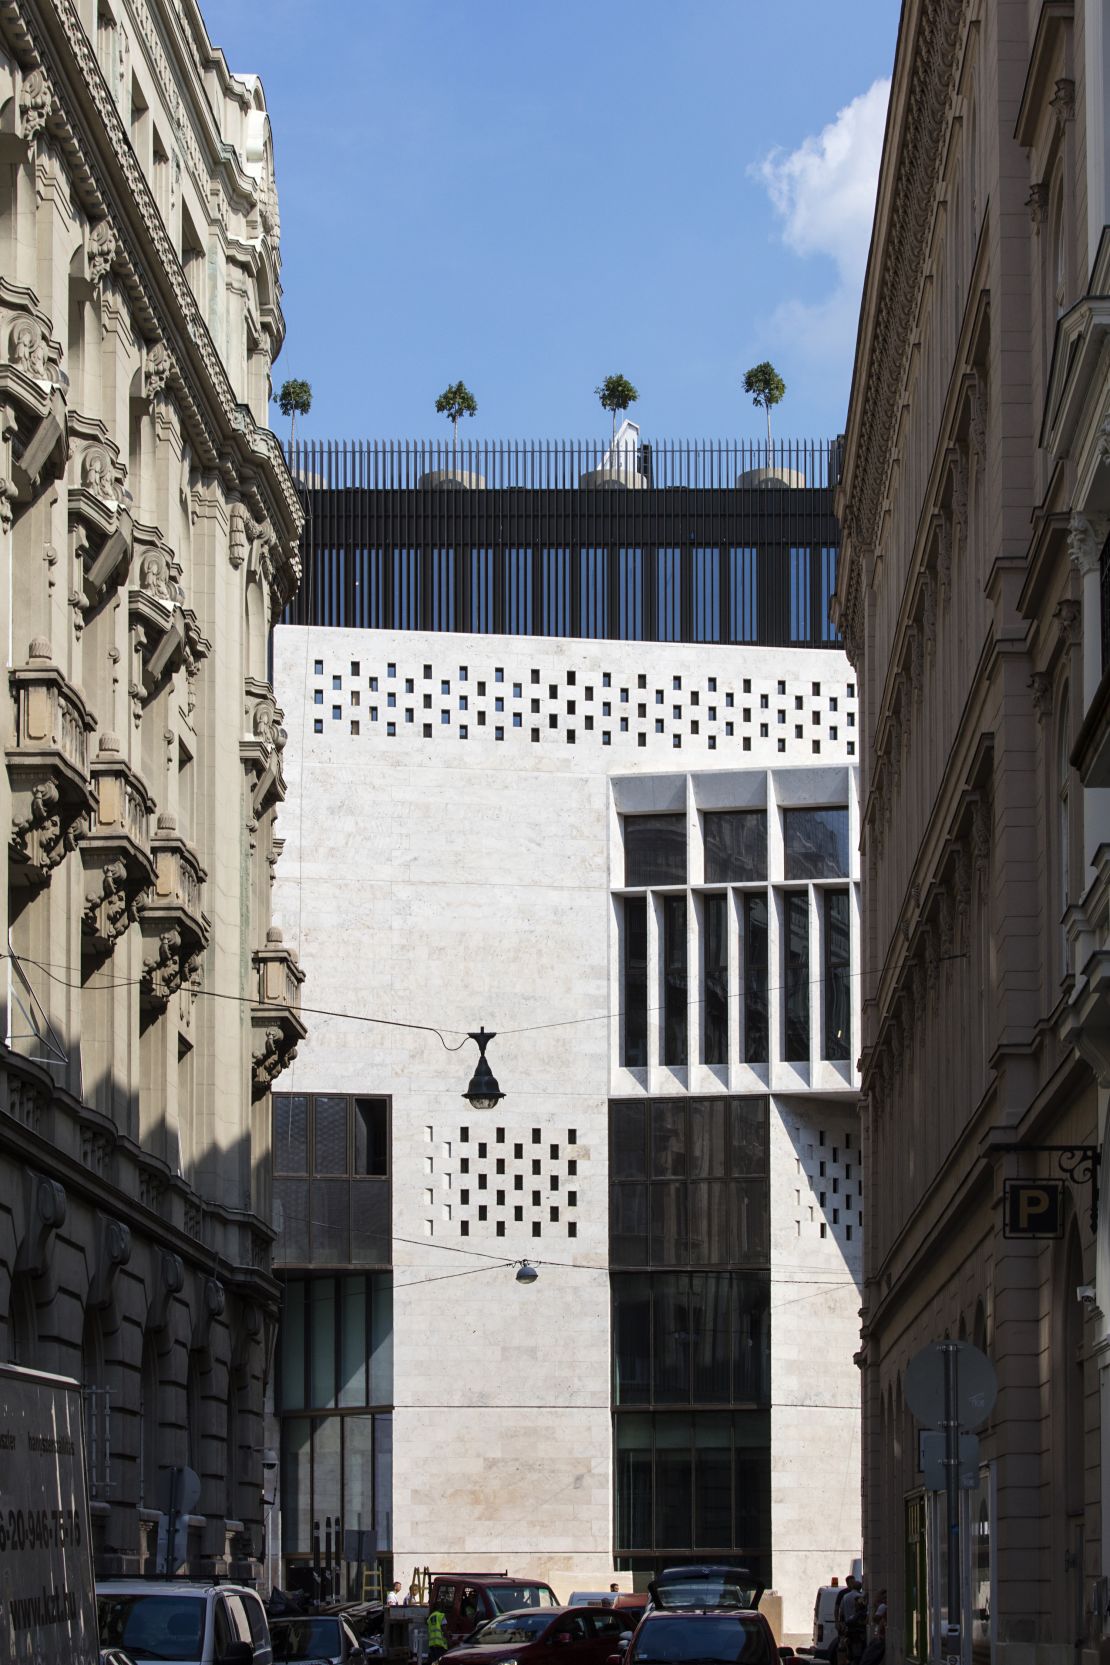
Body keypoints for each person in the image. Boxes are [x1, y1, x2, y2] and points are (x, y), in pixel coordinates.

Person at [427, 1596, 449, 1665]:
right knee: (441, 1662)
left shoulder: (430, 1617)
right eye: (443, 1607)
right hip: (440, 1645)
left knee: (434, 1663)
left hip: (432, 1644)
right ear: (440, 1607)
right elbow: (444, 1629)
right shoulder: (441, 1615)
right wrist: (449, 1640)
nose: (444, 1608)